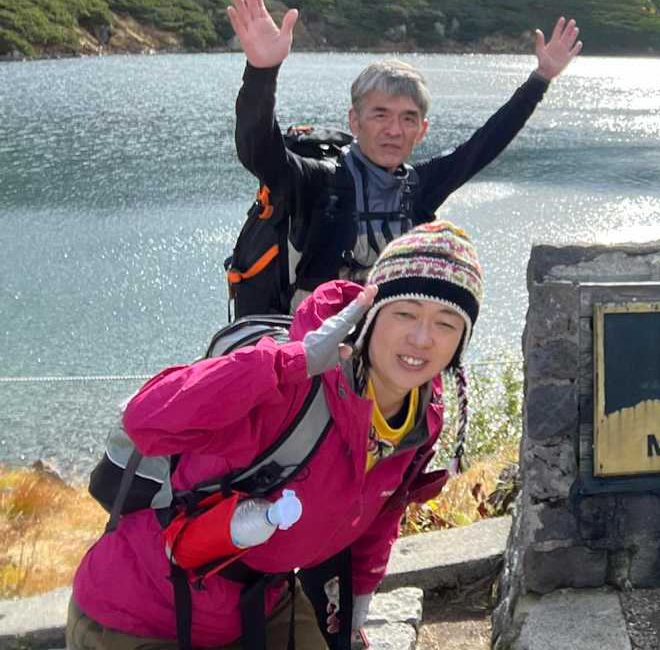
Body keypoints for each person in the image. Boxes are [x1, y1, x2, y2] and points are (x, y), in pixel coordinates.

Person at [69, 220, 483, 650]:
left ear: (462, 341)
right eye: (405, 313)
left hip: (260, 604)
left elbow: (381, 511)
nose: (421, 338)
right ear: (371, 314)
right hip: (138, 611)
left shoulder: (421, 415)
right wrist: (290, 364)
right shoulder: (294, 385)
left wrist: (358, 600)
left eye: (446, 323)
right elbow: (145, 418)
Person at [226, 0, 581, 303]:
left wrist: (540, 79)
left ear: (421, 130)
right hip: (311, 346)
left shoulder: (420, 188)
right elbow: (259, 149)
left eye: (408, 118)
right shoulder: (317, 182)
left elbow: (485, 144)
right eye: (380, 115)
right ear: (354, 121)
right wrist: (262, 72)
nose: (394, 130)